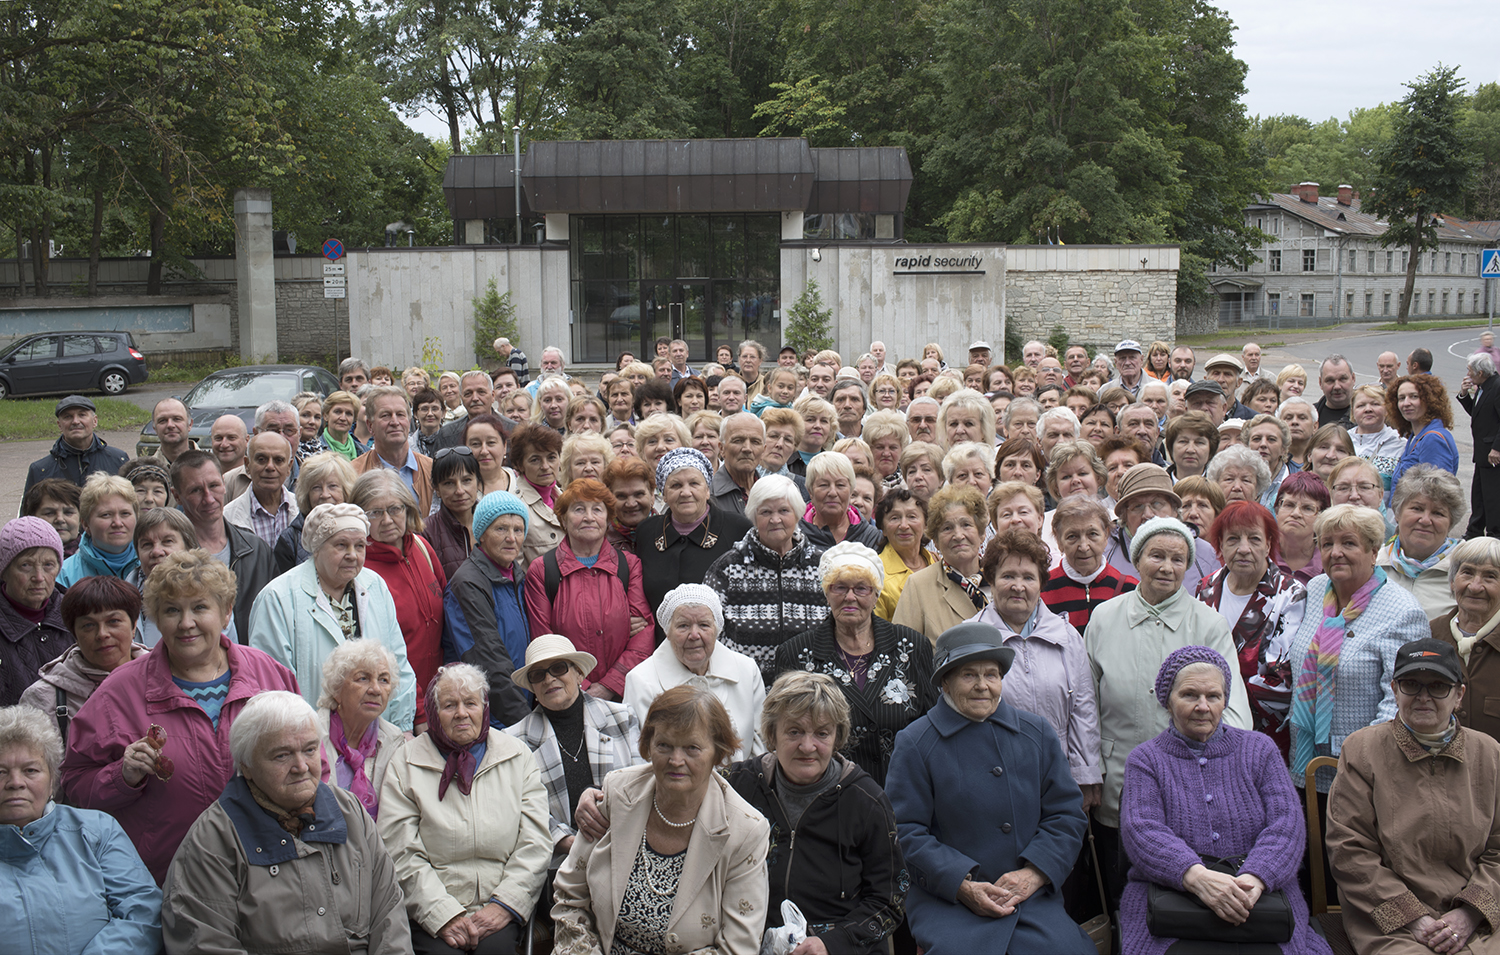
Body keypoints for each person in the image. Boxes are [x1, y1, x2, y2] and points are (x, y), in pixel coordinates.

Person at [62, 549, 300, 883]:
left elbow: (313, 757)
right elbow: (74, 781)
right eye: (172, 610)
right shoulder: (119, 692)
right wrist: (122, 776)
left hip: (273, 871)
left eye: (200, 607)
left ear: (227, 612)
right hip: (170, 878)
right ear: (156, 619)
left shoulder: (268, 674)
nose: (186, 623)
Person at [885, 620, 1093, 953]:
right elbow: (905, 831)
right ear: (945, 683)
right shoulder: (915, 742)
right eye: (969, 675)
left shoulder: (1036, 733)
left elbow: (1066, 815)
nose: (983, 685)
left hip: (1030, 898)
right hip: (950, 902)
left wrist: (1034, 874)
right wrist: (962, 885)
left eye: (991, 675)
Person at [1119, 647, 1332, 955]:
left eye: (1213, 696)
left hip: (1258, 895)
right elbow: (1142, 829)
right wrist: (1196, 876)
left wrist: (1254, 878)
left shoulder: (1260, 750)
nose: (1202, 706)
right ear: (1167, 700)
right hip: (1171, 896)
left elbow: (1286, 824)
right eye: (1190, 695)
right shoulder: (1146, 759)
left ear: (1225, 700)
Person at [160, 690, 409, 952]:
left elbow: (389, 915)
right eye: (282, 755)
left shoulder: (350, 811)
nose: (301, 766)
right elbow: (205, 943)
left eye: (310, 750)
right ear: (246, 766)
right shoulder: (213, 839)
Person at [1086, 516, 1252, 901]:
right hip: (1118, 777)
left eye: (1178, 559)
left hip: (1191, 784)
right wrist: (1088, 770)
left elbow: (1235, 713)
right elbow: (1086, 704)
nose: (1166, 567)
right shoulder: (1105, 617)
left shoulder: (1208, 624)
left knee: (1178, 892)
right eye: (1156, 556)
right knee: (1121, 888)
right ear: (1138, 559)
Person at [555, 684, 770, 955]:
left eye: (692, 748)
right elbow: (570, 895)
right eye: (664, 745)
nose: (676, 760)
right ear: (648, 746)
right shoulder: (618, 794)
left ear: (718, 752)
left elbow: (739, 947)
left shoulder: (746, 830)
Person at [1327, 638, 1500, 955]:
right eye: (1411, 684)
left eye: (1437, 686)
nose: (1423, 697)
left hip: (1480, 918)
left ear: (1459, 694)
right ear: (1394, 689)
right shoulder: (1362, 750)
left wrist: (1470, 912)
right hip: (1389, 920)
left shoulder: (1489, 753)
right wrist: (1413, 918)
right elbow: (1349, 851)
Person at [724, 671, 908, 955]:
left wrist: (833, 944)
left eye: (822, 733)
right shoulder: (738, 786)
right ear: (772, 733)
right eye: (794, 731)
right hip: (749, 942)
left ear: (838, 737)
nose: (808, 747)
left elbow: (890, 900)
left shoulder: (866, 800)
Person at [379, 664, 551, 953]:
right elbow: (399, 850)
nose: (461, 713)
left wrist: (505, 905)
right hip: (430, 910)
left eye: (470, 703)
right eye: (449, 705)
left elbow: (535, 841)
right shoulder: (405, 761)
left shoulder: (516, 755)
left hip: (498, 906)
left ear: (484, 708)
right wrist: (442, 913)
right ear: (433, 713)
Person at [1284, 505, 1430, 801]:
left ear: (1373, 551)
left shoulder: (1402, 611)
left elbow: (1401, 699)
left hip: (1362, 773)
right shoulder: (1315, 590)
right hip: (1304, 760)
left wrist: (1366, 759)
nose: (1335, 552)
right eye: (1327, 544)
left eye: (1348, 543)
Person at [0, 705, 162, 954]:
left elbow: (143, 913)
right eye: (1, 772)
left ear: (53, 780)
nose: (16, 783)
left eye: (30, 770)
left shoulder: (96, 831)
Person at [249, 503, 418, 730]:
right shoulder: (278, 598)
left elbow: (398, 663)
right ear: (316, 548)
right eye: (341, 545)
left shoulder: (375, 585)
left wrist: (402, 728)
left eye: (359, 546)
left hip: (377, 735)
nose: (352, 555)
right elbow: (273, 687)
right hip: (311, 741)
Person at [973, 529, 1102, 801]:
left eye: (1028, 577)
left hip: (1057, 779)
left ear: (1042, 583)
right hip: (992, 781)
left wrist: (1085, 775)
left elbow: (1083, 710)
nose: (1018, 586)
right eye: (1008, 576)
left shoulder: (1067, 637)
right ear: (991, 580)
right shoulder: (971, 638)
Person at [506, 635, 642, 868]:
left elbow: (642, 783)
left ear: (579, 674)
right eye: (538, 675)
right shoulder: (515, 740)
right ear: (533, 688)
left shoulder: (622, 717)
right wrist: (571, 843)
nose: (549, 679)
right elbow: (521, 811)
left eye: (558, 668)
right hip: (559, 863)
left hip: (626, 851)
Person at [524, 478, 654, 702]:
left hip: (623, 697)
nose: (589, 517)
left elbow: (643, 634)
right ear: (563, 518)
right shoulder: (543, 570)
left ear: (607, 517)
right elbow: (544, 639)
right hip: (567, 697)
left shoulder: (629, 565)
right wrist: (580, 685)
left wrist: (610, 685)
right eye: (578, 509)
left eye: (597, 509)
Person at [1196, 501, 1308, 752]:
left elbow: (1281, 685)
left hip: (1263, 739)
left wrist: (1209, 695)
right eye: (1233, 539)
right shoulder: (1206, 589)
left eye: (1254, 539)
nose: (1244, 549)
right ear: (1220, 545)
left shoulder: (1290, 594)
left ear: (1268, 544)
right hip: (1202, 732)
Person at [703, 474, 827, 683]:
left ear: (797, 514)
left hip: (808, 692)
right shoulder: (728, 567)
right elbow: (708, 627)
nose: (775, 519)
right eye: (765, 512)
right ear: (753, 516)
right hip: (743, 688)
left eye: (784, 511)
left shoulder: (821, 565)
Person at [624, 584, 765, 759]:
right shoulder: (640, 681)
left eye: (704, 625)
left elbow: (761, 748)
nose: (694, 635)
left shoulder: (746, 670)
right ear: (667, 632)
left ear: (717, 629)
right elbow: (638, 758)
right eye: (683, 626)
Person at [353, 470, 446, 730]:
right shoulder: (360, 574)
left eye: (395, 509)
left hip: (441, 697)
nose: (387, 520)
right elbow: (382, 654)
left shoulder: (422, 548)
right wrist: (417, 712)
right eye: (374, 512)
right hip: (399, 710)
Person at [442, 492, 534, 726]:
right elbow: (487, 660)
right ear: (482, 533)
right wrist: (524, 722)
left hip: (521, 704)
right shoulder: (468, 583)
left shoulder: (516, 575)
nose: (512, 538)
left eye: (518, 529)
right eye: (501, 529)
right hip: (494, 716)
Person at [19, 575, 147, 740]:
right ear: (74, 633)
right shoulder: (43, 698)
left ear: (134, 624)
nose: (102, 634)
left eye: (113, 621)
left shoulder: (167, 676)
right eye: (88, 625)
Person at [634, 448, 752, 626]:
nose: (686, 492)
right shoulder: (647, 532)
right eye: (676, 485)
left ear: (707, 490)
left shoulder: (738, 529)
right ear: (664, 494)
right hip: (660, 646)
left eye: (694, 484)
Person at [168, 450, 276, 645]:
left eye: (214, 486)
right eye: (195, 490)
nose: (209, 498)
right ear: (177, 496)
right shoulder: (171, 557)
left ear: (224, 484)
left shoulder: (257, 551)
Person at [316, 639, 407, 820]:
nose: (376, 689)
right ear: (337, 688)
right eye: (363, 678)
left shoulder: (394, 742)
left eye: (383, 680)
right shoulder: (311, 735)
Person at [892, 484, 990, 645]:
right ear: (935, 541)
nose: (958, 535)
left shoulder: (1000, 579)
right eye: (947, 528)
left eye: (966, 524)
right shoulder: (918, 585)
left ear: (981, 534)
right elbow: (902, 652)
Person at [1103, 463, 1221, 592]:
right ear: (1125, 516)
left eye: (1157, 503)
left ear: (1175, 510)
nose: (1148, 514)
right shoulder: (1105, 552)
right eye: (1137, 506)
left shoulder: (1204, 553)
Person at [1429, 538, 1500, 742]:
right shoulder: (1430, 634)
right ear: (1452, 581)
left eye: (1490, 576)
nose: (1475, 586)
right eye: (1467, 572)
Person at [1379, 464, 1467, 621]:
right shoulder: (1372, 564)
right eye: (1417, 508)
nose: (1425, 520)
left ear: (1451, 523)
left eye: (1438, 513)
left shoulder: (1467, 570)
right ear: (1398, 513)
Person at [0, 517, 71, 707]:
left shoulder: (77, 615)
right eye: (26, 565)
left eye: (48, 565)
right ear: (4, 571)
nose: (39, 577)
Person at [1043, 495, 1138, 636]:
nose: (1084, 546)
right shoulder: (1043, 591)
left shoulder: (1130, 589)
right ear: (1058, 540)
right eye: (1072, 536)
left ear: (1106, 535)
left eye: (1092, 534)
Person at [23, 395, 130, 501]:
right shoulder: (41, 470)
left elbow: (131, 505)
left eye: (82, 415)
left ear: (95, 421)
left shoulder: (119, 459)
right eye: (67, 417)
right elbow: (28, 516)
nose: (75, 421)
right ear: (59, 425)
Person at [275, 450, 356, 574]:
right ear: (307, 494)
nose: (324, 495)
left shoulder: (360, 530)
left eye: (332, 486)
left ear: (346, 490)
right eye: (316, 488)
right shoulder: (290, 539)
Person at [57, 472, 139, 588]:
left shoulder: (153, 564)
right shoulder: (64, 576)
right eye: (106, 515)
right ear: (86, 524)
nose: (117, 523)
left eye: (125, 513)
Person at [1390, 373, 1459, 493]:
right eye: (1401, 398)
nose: (1406, 403)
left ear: (1430, 400)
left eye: (1414, 396)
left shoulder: (1432, 439)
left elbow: (1435, 493)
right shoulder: (1415, 436)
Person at [423, 446, 483, 579]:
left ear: (478, 482)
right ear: (437, 489)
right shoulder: (425, 533)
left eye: (466, 480)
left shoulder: (493, 523)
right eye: (449, 483)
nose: (460, 491)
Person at [873, 487, 932, 621]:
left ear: (926, 525)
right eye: (895, 518)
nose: (904, 525)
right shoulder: (875, 574)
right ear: (883, 528)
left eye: (912, 516)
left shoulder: (937, 563)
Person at [508, 424, 565, 563]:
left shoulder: (565, 497)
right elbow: (516, 569)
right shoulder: (514, 506)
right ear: (520, 465)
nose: (545, 466)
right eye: (535, 460)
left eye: (551, 457)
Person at [1461, 353, 1500, 539]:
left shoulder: (1497, 387)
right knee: (1478, 495)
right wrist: (1464, 395)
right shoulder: (1482, 387)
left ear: (1481, 372)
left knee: (1492, 497)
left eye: (1470, 371)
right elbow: (1478, 414)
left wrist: (1497, 448)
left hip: (1492, 453)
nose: (1468, 374)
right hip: (1482, 453)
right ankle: (1474, 531)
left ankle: (1494, 533)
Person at [21, 478, 81, 558]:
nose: (60, 519)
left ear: (81, 518)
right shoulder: (16, 558)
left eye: (68, 512)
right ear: (31, 517)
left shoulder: (96, 558)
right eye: (49, 513)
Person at [320, 390, 365, 460]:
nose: (343, 418)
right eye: (337, 412)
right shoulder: (314, 451)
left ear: (354, 419)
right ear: (325, 415)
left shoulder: (365, 452)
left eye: (348, 413)